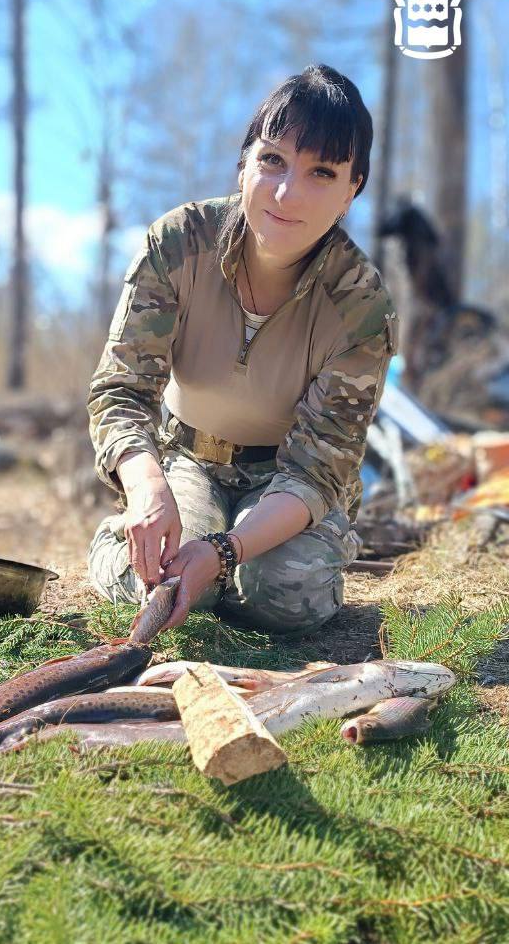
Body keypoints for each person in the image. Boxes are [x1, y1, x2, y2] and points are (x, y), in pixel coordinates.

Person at [86, 63, 398, 636]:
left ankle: (272, 562)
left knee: (286, 594)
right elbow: (120, 391)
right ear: (244, 164)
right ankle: (120, 537)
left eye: (322, 172)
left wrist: (224, 552)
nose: (286, 192)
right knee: (162, 582)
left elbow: (319, 466)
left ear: (352, 189)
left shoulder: (360, 305)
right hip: (185, 460)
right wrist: (148, 489)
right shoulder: (178, 244)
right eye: (272, 160)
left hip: (287, 482)